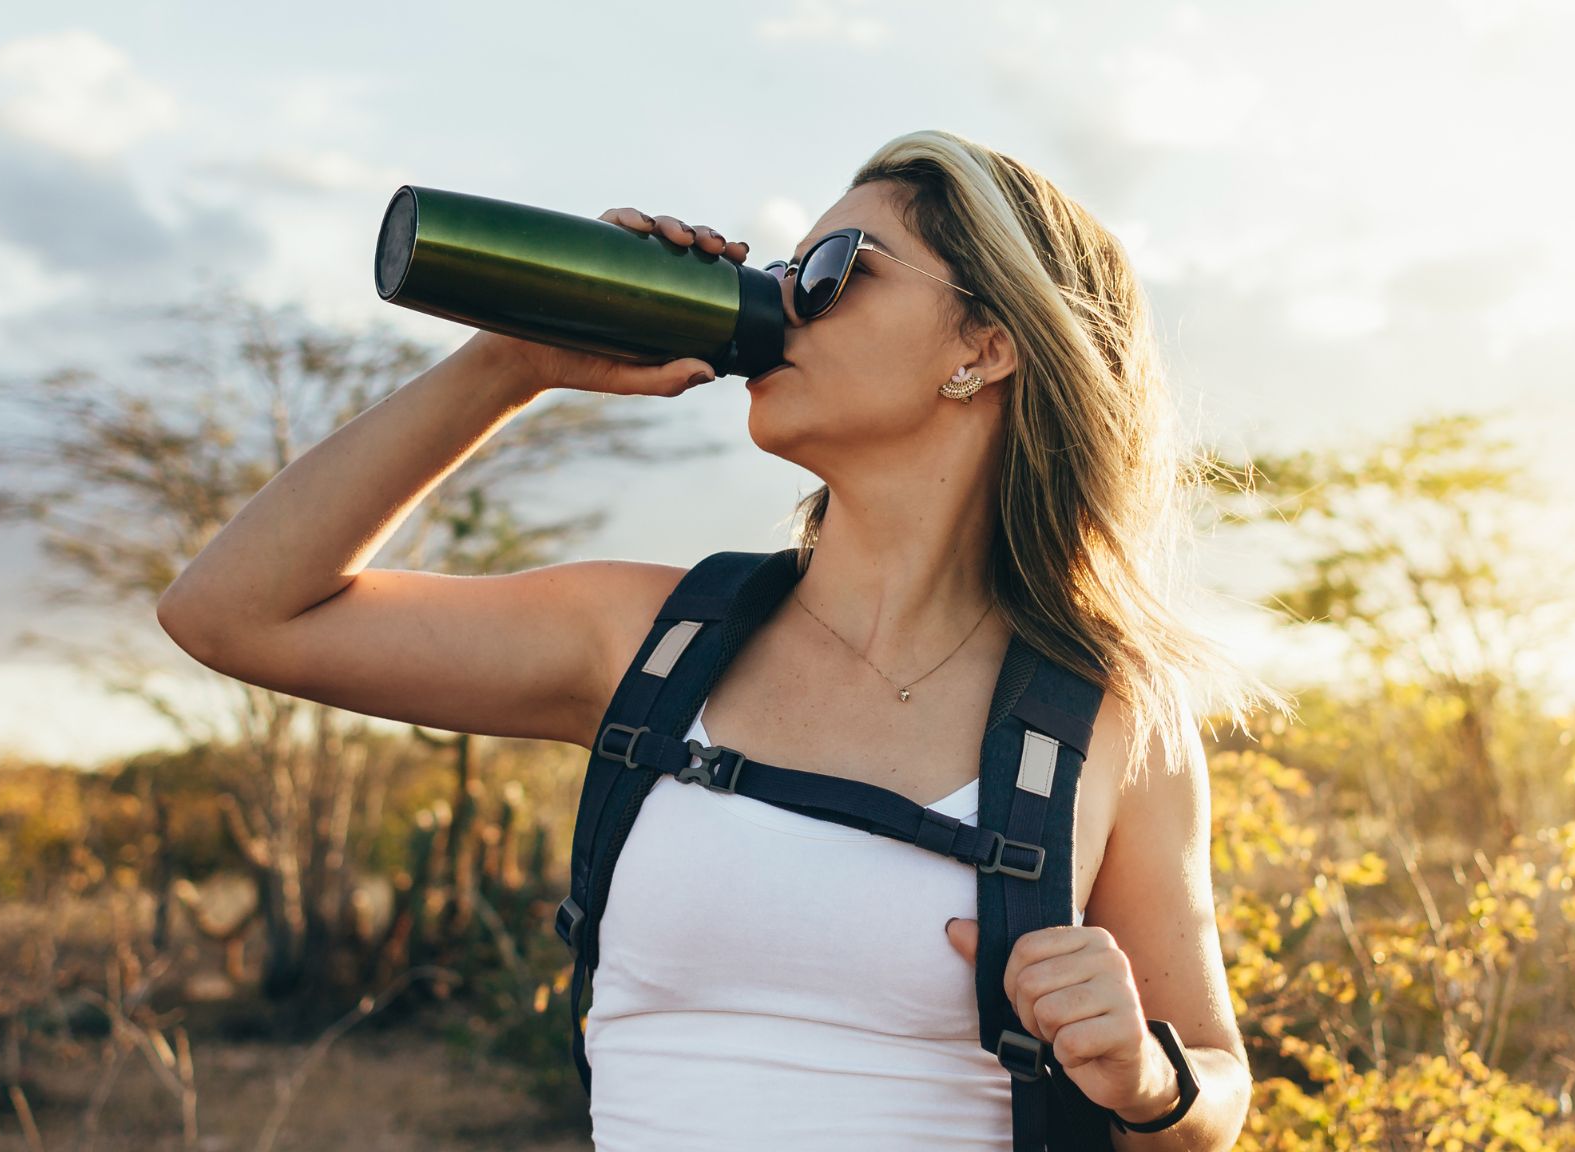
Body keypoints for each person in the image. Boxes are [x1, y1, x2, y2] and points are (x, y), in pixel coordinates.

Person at [156, 128, 1290, 1150]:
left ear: (984, 345)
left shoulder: (1104, 715)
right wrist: (514, 362)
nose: (781, 300)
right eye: (783, 272)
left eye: (833, 271)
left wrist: (1147, 1078)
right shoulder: (649, 642)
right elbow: (231, 613)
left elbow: (1214, 1086)